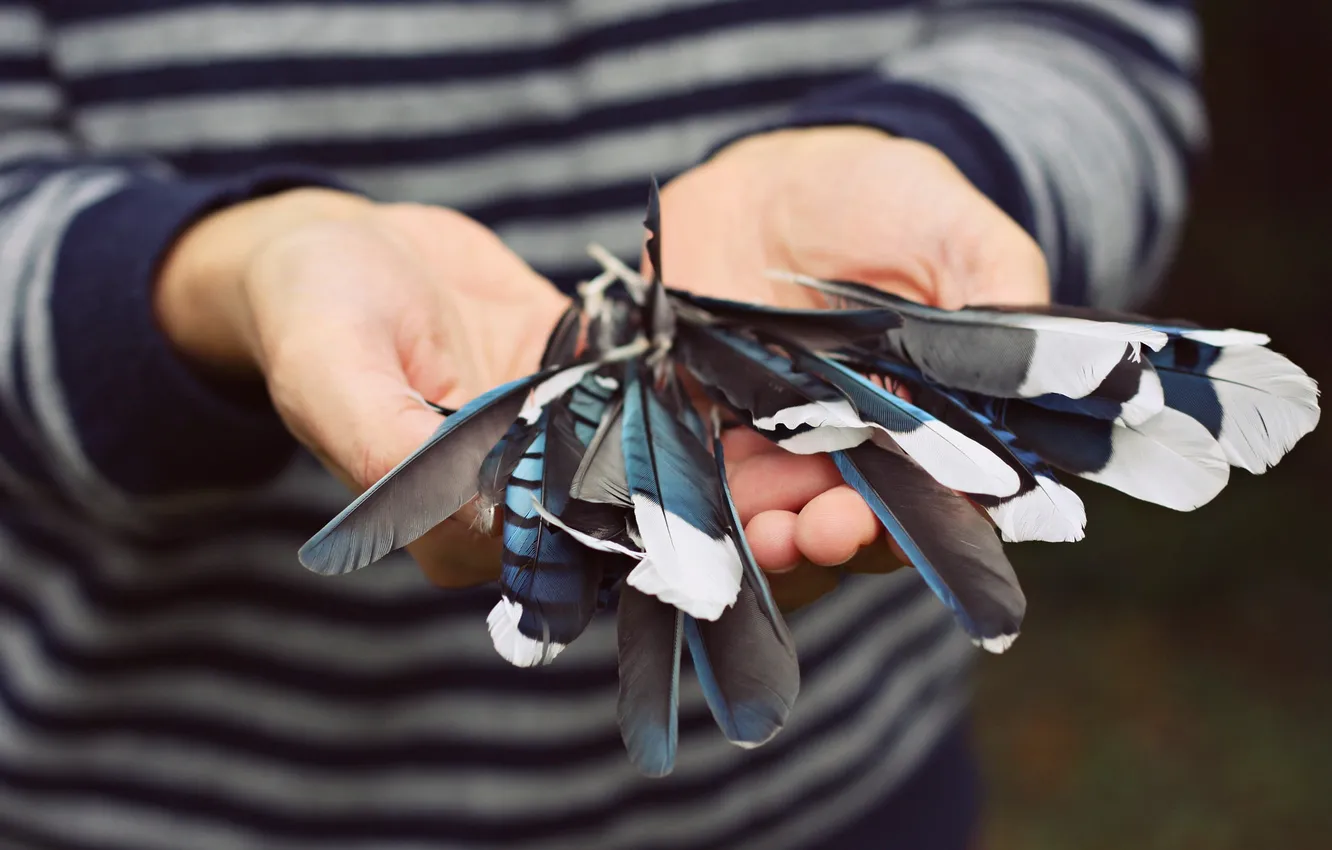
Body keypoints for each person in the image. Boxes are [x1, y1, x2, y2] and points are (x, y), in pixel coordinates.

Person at [0, 1, 1203, 847]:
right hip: (163, 807)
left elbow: (1091, 38)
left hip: (836, 800)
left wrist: (941, 160)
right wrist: (218, 282)